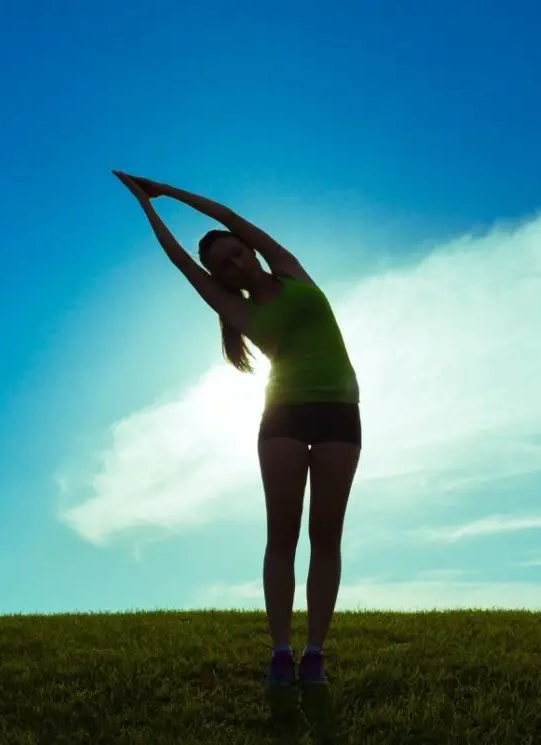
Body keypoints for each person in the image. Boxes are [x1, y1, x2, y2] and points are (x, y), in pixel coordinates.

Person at [113, 170, 362, 688]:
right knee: (283, 537)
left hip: (340, 414)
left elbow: (228, 217)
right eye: (222, 264)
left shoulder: (292, 272)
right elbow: (180, 260)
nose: (233, 261)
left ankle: (315, 654)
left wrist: (166, 189)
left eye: (236, 252)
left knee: (327, 537)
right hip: (284, 418)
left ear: (250, 251)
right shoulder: (234, 307)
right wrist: (145, 206)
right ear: (222, 279)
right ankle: (280, 654)